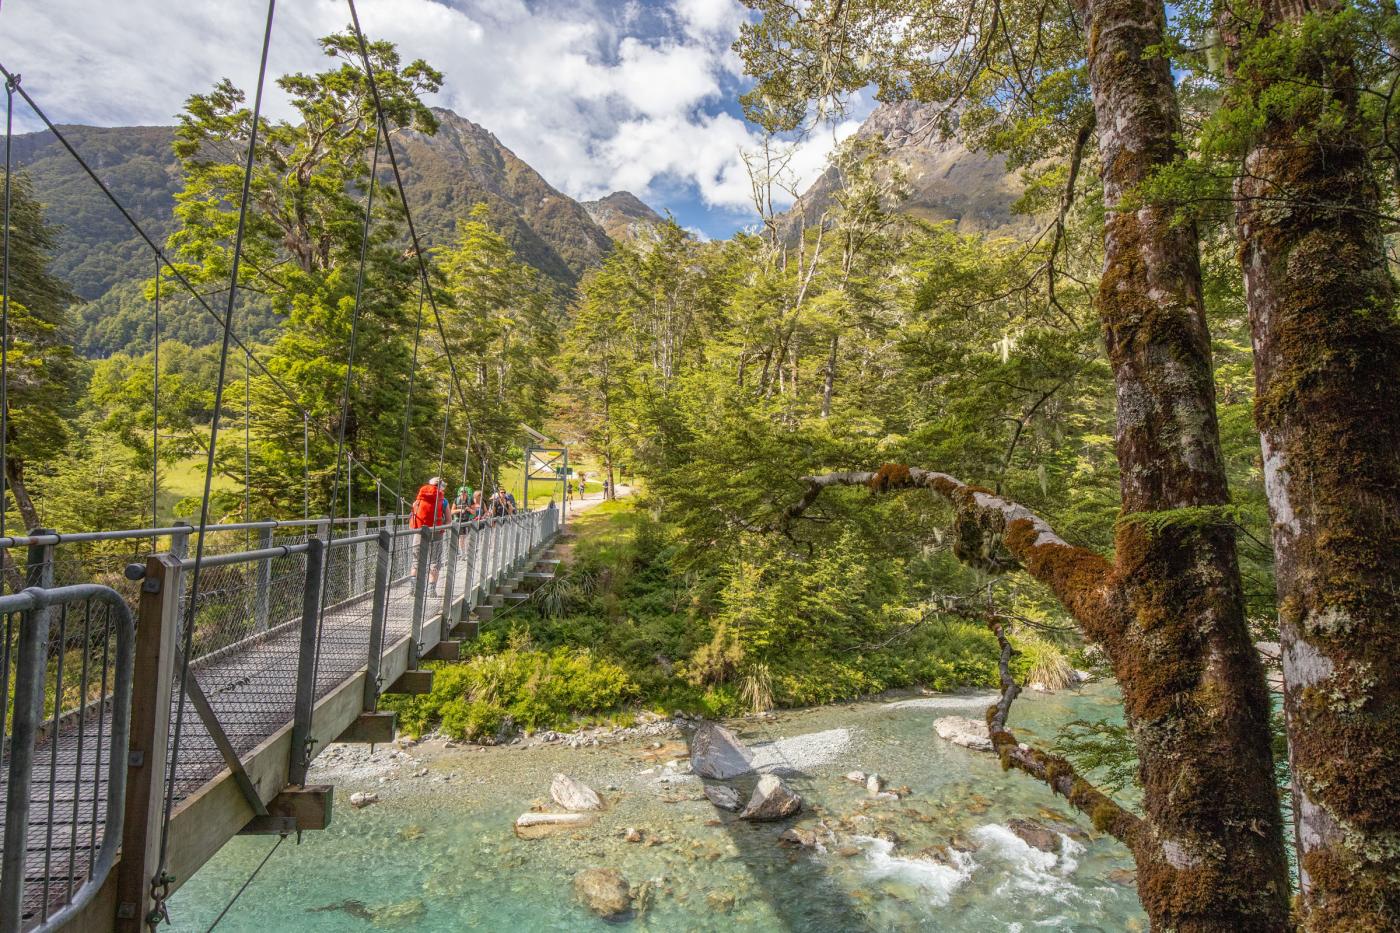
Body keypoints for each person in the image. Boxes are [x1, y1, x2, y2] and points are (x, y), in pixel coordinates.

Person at [409, 476, 449, 597]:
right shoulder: (444, 501)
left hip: (419, 532)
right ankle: (431, 590)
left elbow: (413, 517)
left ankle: (413, 588)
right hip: (436, 533)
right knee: (434, 561)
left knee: (416, 561)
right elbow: (448, 520)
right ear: (440, 487)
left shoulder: (418, 500)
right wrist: (443, 529)